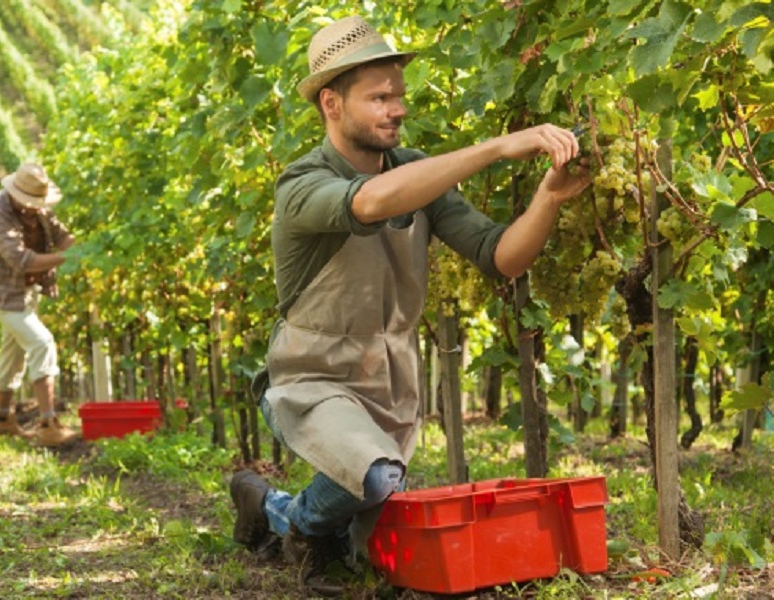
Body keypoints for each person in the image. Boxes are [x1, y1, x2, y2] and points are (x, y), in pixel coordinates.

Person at [230, 15, 591, 596]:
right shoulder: (301, 183)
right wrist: (497, 147)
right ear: (331, 104)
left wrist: (548, 198)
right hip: (310, 380)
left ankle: (266, 506)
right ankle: (298, 526)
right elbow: (370, 203)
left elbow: (501, 257)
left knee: (376, 543)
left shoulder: (417, 171)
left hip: (389, 387)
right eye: (379, 98)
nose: (397, 109)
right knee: (372, 479)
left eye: (398, 95)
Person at [0, 162, 78, 447]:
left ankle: (1, 418)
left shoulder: (38, 208)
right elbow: (21, 260)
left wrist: (86, 248)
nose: (37, 208)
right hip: (3, 295)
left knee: (14, 353)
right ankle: (49, 424)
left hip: (28, 291)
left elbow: (61, 236)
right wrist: (68, 258)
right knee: (41, 343)